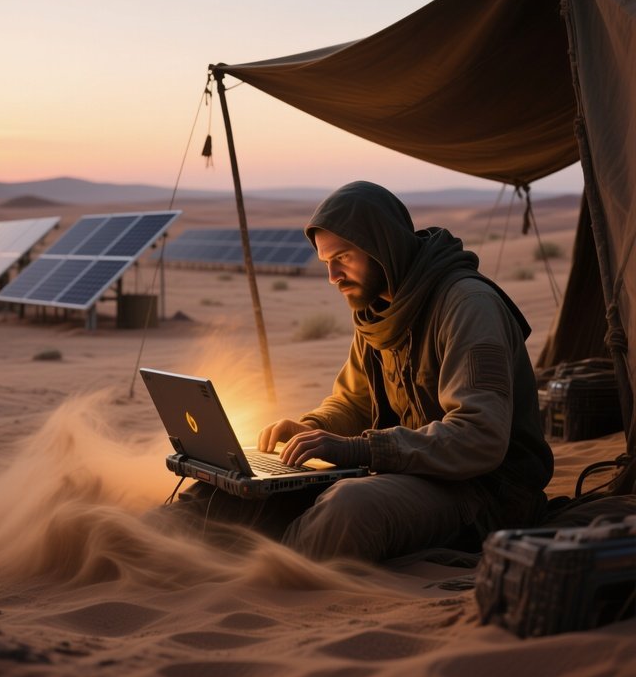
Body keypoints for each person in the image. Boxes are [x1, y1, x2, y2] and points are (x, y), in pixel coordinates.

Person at [172, 181, 554, 562]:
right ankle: (162, 550)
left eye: (343, 258)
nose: (333, 277)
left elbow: (479, 438)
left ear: (382, 246)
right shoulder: (378, 312)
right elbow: (354, 403)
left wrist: (358, 448)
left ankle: (255, 578)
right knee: (241, 488)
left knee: (351, 508)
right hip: (414, 474)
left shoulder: (468, 307)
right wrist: (310, 428)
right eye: (326, 263)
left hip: (485, 492)